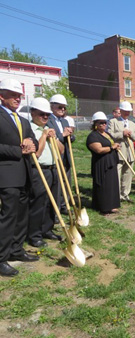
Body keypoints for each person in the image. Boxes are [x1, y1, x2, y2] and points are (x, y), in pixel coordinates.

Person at [0, 78, 40, 277]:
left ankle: (16, 249)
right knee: (8, 216)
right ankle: (1, 257)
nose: (17, 99)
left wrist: (32, 144)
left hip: (25, 174)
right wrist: (18, 150)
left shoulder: (23, 120)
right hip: (7, 175)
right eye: (13, 95)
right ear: (2, 96)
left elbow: (33, 140)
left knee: (22, 215)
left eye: (19, 96)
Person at [28, 98, 64, 248]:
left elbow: (61, 151)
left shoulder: (49, 129)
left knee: (52, 202)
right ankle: (34, 234)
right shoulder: (29, 129)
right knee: (39, 203)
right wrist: (43, 136)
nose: (45, 117)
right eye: (42, 114)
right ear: (33, 113)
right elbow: (36, 153)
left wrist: (53, 138)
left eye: (47, 115)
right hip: (39, 170)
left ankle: (47, 229)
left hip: (53, 169)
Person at [86, 111, 121, 214]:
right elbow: (99, 150)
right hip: (101, 163)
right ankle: (103, 206)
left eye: (105, 122)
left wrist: (116, 146)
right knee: (104, 185)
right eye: (101, 123)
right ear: (95, 124)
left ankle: (112, 205)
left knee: (112, 184)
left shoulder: (107, 134)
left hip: (111, 162)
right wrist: (111, 147)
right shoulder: (93, 136)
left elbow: (112, 144)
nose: (103, 125)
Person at [47, 94, 75, 215]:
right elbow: (51, 137)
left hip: (66, 157)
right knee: (57, 184)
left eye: (64, 107)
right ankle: (56, 209)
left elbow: (71, 138)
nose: (62, 109)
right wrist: (62, 135)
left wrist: (70, 135)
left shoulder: (64, 121)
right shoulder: (47, 120)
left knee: (66, 182)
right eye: (60, 107)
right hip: (55, 157)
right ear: (52, 106)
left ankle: (65, 205)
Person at [107, 101, 135, 202]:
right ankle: (116, 194)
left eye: (128, 111)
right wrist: (122, 133)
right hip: (119, 153)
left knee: (128, 174)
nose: (127, 113)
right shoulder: (113, 122)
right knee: (116, 174)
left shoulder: (133, 124)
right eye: (125, 111)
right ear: (120, 110)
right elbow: (109, 135)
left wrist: (131, 134)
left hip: (130, 153)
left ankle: (125, 194)